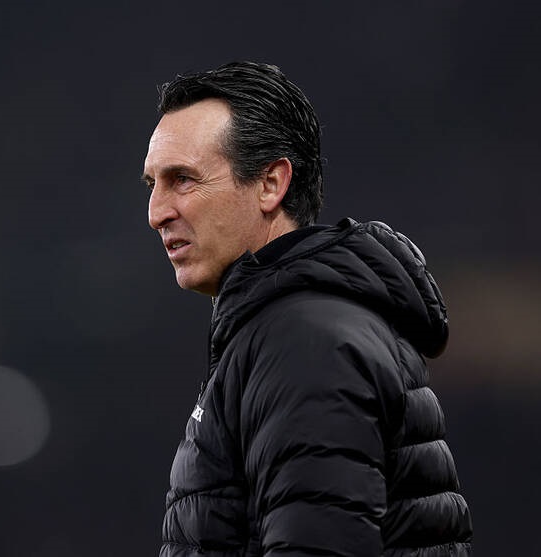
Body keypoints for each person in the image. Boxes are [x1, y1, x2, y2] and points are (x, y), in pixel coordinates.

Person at [141, 62, 472, 556]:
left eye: (183, 179)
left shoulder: (306, 340)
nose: (156, 212)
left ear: (271, 183)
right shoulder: (289, 327)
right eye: (152, 184)